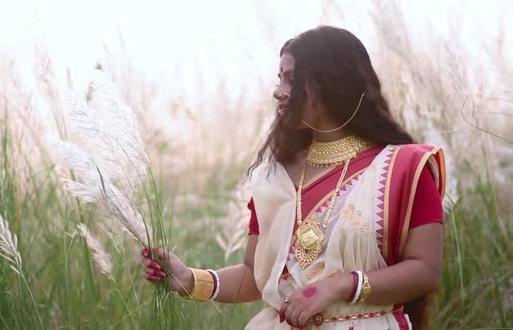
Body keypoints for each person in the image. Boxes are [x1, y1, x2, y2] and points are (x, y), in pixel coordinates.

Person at [141, 25, 446, 330]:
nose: (278, 91)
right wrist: (191, 280)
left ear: (331, 83)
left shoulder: (403, 168)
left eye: (292, 79)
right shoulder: (274, 178)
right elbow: (255, 275)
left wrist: (338, 287)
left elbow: (425, 270)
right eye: (280, 79)